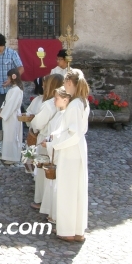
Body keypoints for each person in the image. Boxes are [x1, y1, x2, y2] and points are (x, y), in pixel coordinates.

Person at [43, 69, 89, 242]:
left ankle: (67, 230)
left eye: (65, 83)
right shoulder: (82, 101)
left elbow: (74, 133)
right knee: (77, 189)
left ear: (69, 83)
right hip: (77, 148)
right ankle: (77, 229)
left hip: (70, 150)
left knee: (67, 190)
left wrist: (55, 144)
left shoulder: (75, 104)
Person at [28, 74, 64, 209]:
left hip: (45, 140)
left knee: (43, 172)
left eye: (45, 83)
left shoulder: (49, 105)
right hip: (55, 141)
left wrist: (33, 125)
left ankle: (41, 200)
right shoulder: (63, 103)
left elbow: (38, 123)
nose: (42, 85)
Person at [40, 86, 72, 223]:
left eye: (57, 98)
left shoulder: (66, 116)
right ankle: (52, 212)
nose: (54, 100)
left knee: (57, 187)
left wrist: (49, 144)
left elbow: (63, 137)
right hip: (52, 149)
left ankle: (57, 215)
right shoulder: (59, 114)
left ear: (65, 100)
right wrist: (48, 139)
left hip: (59, 154)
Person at [0, 68, 23, 165]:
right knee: (7, 135)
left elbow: (11, 105)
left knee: (12, 136)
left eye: (8, 77)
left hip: (13, 116)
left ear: (12, 77)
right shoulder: (13, 89)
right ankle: (6, 154)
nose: (7, 79)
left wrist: (2, 115)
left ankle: (13, 156)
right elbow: (6, 103)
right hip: (8, 115)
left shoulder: (16, 90)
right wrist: (0, 110)